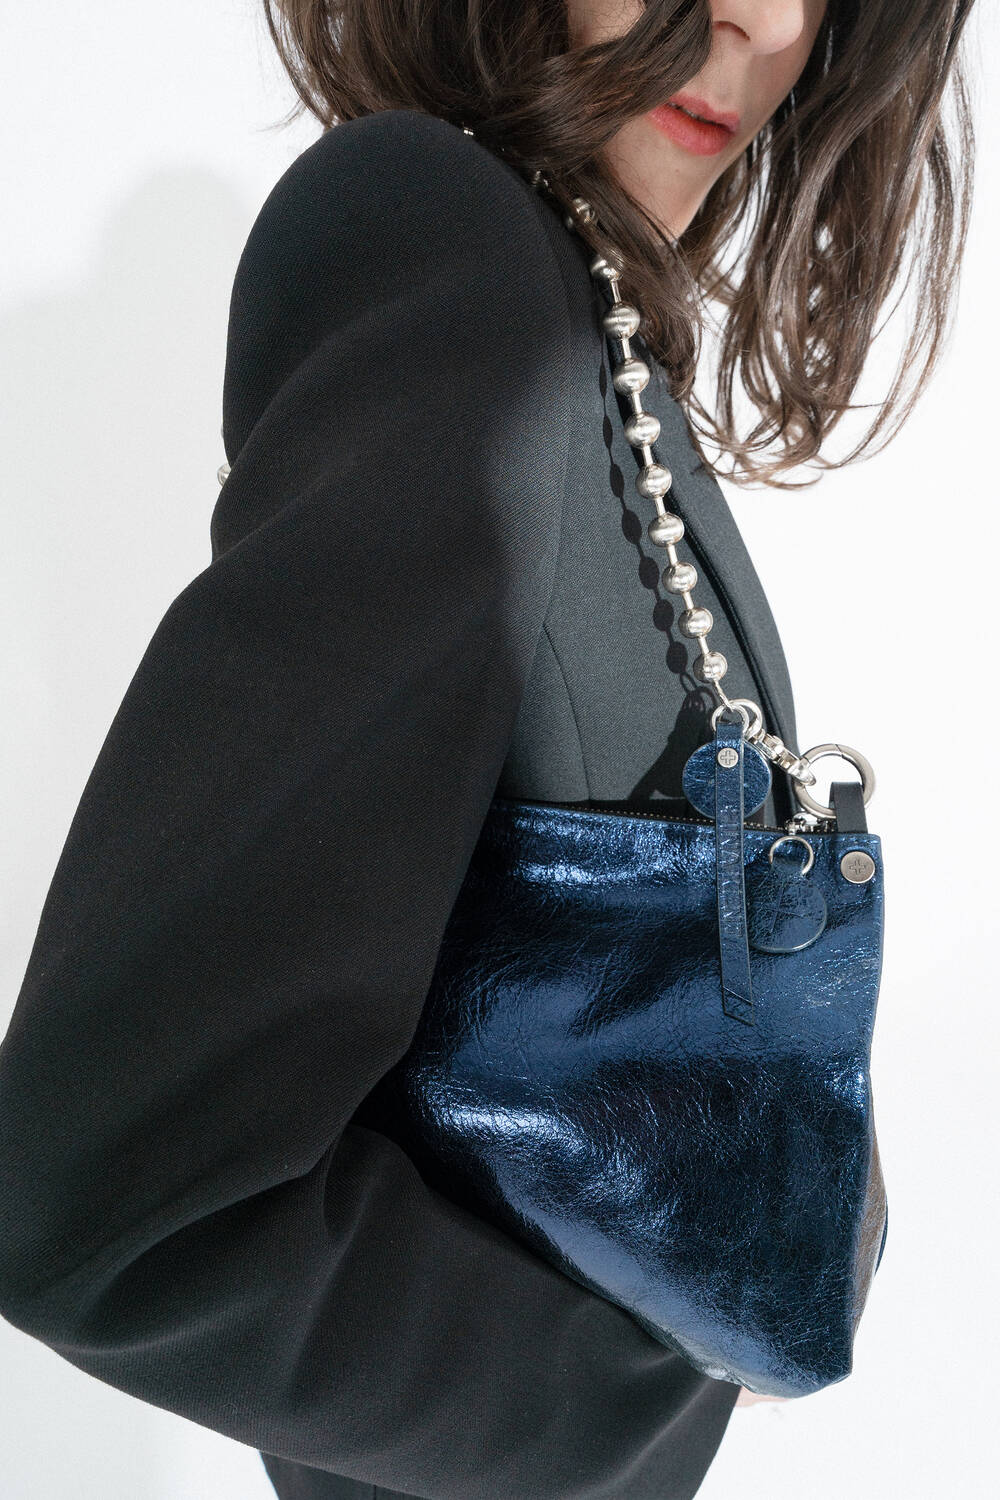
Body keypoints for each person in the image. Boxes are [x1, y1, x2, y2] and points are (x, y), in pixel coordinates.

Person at [0, 2, 976, 1497]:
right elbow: (109, 1208)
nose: (769, 18)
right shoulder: (442, 244)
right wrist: (645, 1404)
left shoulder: (579, 322)